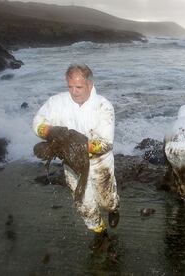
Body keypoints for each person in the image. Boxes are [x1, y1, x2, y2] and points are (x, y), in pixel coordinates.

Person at [32, 64, 119, 240]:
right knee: (83, 204)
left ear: (89, 84)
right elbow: (37, 122)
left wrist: (74, 143)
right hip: (71, 164)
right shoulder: (56, 102)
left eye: (78, 87)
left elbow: (105, 143)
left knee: (106, 199)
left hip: (99, 162)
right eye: (70, 87)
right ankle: (99, 232)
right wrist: (49, 132)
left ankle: (114, 208)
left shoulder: (103, 106)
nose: (74, 92)